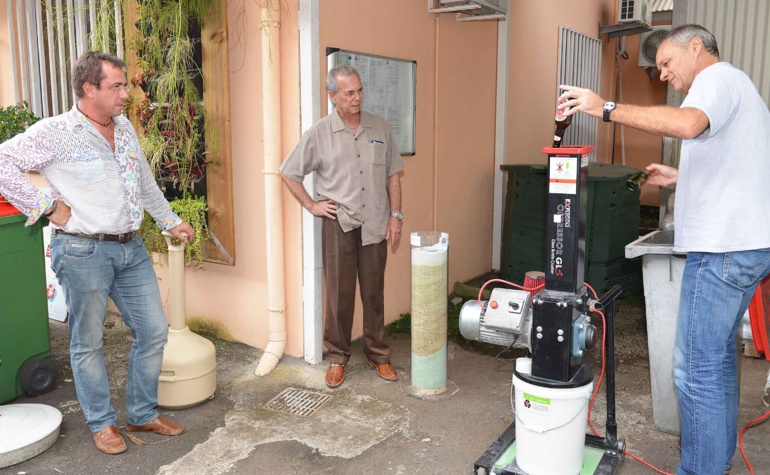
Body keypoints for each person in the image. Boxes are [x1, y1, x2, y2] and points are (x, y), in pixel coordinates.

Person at [558, 24, 770, 475]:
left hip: (722, 251)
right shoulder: (736, 87)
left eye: (667, 63)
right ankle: (718, 461)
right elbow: (734, 164)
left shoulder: (717, 79)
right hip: (744, 246)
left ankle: (701, 469)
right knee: (715, 362)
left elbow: (688, 123)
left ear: (696, 47)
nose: (663, 74)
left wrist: (605, 107)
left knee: (695, 368)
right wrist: (681, 177)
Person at [0, 52, 194, 455]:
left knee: (154, 331)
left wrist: (169, 220)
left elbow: (143, 181)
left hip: (131, 248)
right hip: (82, 251)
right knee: (88, 342)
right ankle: (101, 423)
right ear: (90, 89)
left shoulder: (123, 130)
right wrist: (46, 206)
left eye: (124, 85)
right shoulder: (56, 132)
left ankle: (141, 412)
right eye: (116, 86)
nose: (126, 94)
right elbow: (3, 162)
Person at [280, 64, 404, 389]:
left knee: (374, 294)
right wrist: (312, 205)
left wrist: (396, 216)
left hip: (376, 222)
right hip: (339, 225)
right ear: (332, 96)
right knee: (339, 296)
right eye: (349, 92)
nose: (357, 98)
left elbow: (392, 173)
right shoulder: (320, 133)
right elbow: (289, 171)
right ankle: (337, 357)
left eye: (360, 90)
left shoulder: (379, 127)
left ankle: (378, 354)